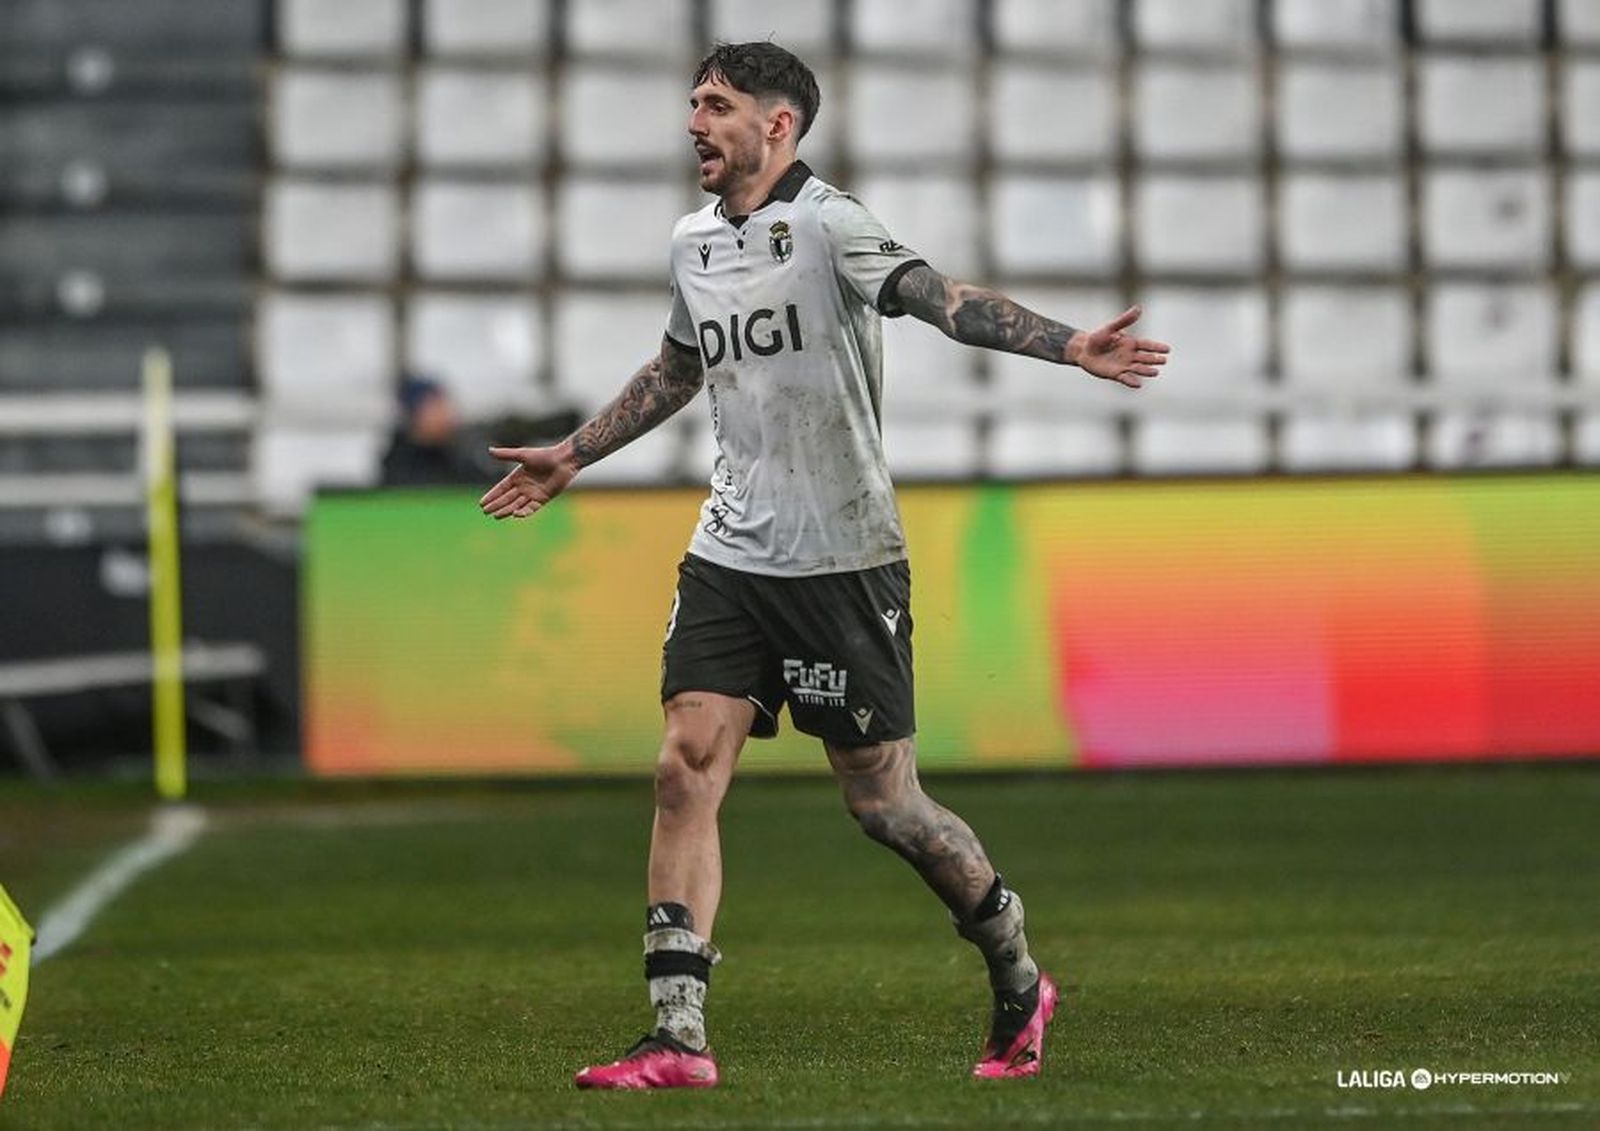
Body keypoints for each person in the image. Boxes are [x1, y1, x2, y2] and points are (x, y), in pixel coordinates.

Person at [479, 42, 1170, 1090]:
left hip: (843, 561)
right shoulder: (693, 241)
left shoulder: (832, 224)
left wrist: (1068, 344)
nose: (693, 123)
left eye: (715, 106)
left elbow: (939, 297)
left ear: (778, 124)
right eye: (691, 103)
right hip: (730, 552)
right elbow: (679, 364)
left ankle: (1017, 973)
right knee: (682, 766)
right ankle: (677, 1036)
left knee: (886, 807)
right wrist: (574, 453)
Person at [380, 376, 485, 486]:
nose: (446, 415)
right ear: (414, 413)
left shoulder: (461, 454)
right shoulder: (399, 464)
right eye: (436, 407)